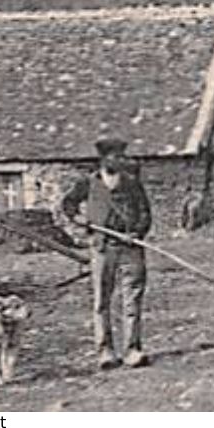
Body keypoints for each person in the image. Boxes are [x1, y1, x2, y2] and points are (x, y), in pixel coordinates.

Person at [62, 137, 152, 370]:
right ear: (103, 159)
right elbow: (68, 204)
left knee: (132, 300)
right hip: (103, 248)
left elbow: (145, 212)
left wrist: (137, 232)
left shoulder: (132, 183)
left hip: (130, 248)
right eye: (115, 157)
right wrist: (79, 219)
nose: (119, 161)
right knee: (102, 301)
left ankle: (132, 349)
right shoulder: (88, 183)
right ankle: (105, 352)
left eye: (122, 157)